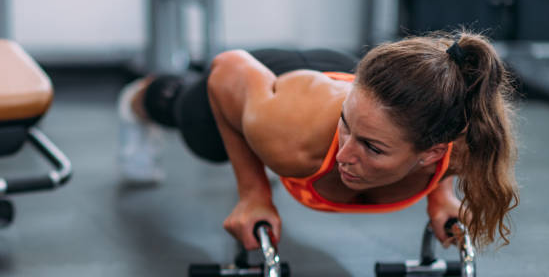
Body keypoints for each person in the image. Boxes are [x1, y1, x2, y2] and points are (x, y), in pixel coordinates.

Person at [117, 30, 519, 251]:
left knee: (378, 125)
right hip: (284, 93)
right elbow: (227, 70)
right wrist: (254, 193)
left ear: (433, 153)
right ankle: (136, 100)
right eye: (348, 130)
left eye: (372, 148)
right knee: (191, 118)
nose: (344, 155)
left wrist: (441, 198)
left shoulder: (467, 140)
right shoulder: (294, 135)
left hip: (348, 93)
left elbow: (439, 124)